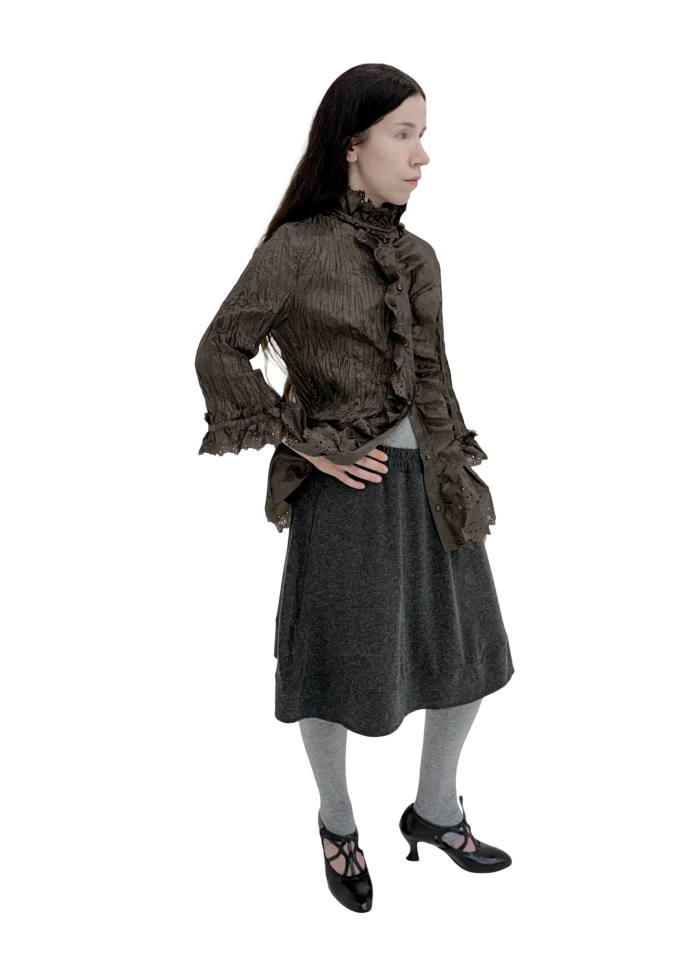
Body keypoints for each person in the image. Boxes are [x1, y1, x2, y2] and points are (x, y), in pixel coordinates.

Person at [194, 62, 515, 913]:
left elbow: (436, 377)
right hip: (349, 489)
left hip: (434, 479)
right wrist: (305, 440)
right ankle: (337, 824)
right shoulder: (297, 250)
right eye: (404, 134)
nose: (422, 154)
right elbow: (219, 348)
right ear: (350, 144)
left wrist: (463, 474)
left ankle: (435, 811)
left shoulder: (419, 254)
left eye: (423, 135)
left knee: (467, 655)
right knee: (336, 664)